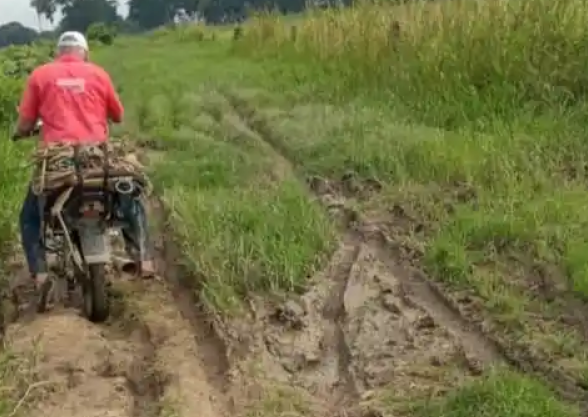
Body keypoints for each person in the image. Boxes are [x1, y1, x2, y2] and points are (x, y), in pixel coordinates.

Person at [14, 31, 155, 291]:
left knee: (30, 217)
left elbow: (25, 123)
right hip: (97, 160)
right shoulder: (98, 74)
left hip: (59, 162)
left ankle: (41, 274)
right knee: (129, 193)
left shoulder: (40, 75)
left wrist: (21, 132)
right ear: (85, 53)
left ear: (59, 52)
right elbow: (118, 115)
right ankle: (144, 258)